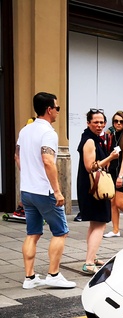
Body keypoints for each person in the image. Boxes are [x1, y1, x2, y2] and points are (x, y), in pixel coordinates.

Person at [15, 92, 76, 289]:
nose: (58, 111)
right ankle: (53, 274)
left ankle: (30, 278)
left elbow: (17, 157)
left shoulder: (25, 130)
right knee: (60, 232)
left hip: (27, 190)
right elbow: (48, 160)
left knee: (32, 233)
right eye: (57, 108)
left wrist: (29, 175)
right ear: (49, 110)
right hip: (44, 191)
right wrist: (57, 191)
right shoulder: (48, 133)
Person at [77, 108, 120, 274]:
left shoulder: (93, 138)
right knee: (100, 223)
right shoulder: (89, 140)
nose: (99, 125)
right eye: (95, 122)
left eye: (102, 122)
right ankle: (88, 263)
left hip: (92, 186)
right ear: (88, 123)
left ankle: (92, 257)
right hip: (93, 188)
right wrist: (110, 158)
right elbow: (90, 167)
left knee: (95, 223)